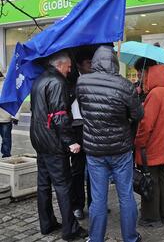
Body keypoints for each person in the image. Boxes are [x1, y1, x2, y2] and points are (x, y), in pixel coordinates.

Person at [76, 46, 143, 242]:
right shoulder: (124, 85)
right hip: (121, 149)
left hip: (94, 149)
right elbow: (138, 114)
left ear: (96, 62)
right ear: (114, 62)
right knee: (126, 196)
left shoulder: (82, 82)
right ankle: (130, 238)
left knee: (98, 199)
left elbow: (84, 110)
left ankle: (95, 238)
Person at [30, 52, 87, 241]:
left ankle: (47, 224)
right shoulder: (57, 82)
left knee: (43, 185)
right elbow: (60, 116)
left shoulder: (39, 79)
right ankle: (70, 229)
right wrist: (70, 141)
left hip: (39, 139)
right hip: (53, 142)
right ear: (60, 65)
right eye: (69, 67)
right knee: (63, 185)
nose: (70, 70)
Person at [134, 64, 164, 227]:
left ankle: (151, 218)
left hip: (152, 146)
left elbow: (146, 125)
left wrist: (138, 142)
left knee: (149, 180)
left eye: (145, 74)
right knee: (161, 178)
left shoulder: (155, 94)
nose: (144, 77)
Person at [70, 53, 93, 220]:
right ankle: (77, 205)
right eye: (87, 62)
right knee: (77, 170)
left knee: (94, 168)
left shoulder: (94, 79)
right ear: (79, 65)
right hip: (76, 127)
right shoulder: (71, 82)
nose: (91, 65)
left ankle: (95, 203)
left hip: (92, 127)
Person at [0, 71, 20, 158]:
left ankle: (6, 155)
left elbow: (16, 100)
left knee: (6, 138)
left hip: (5, 117)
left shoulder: (7, 84)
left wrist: (15, 116)